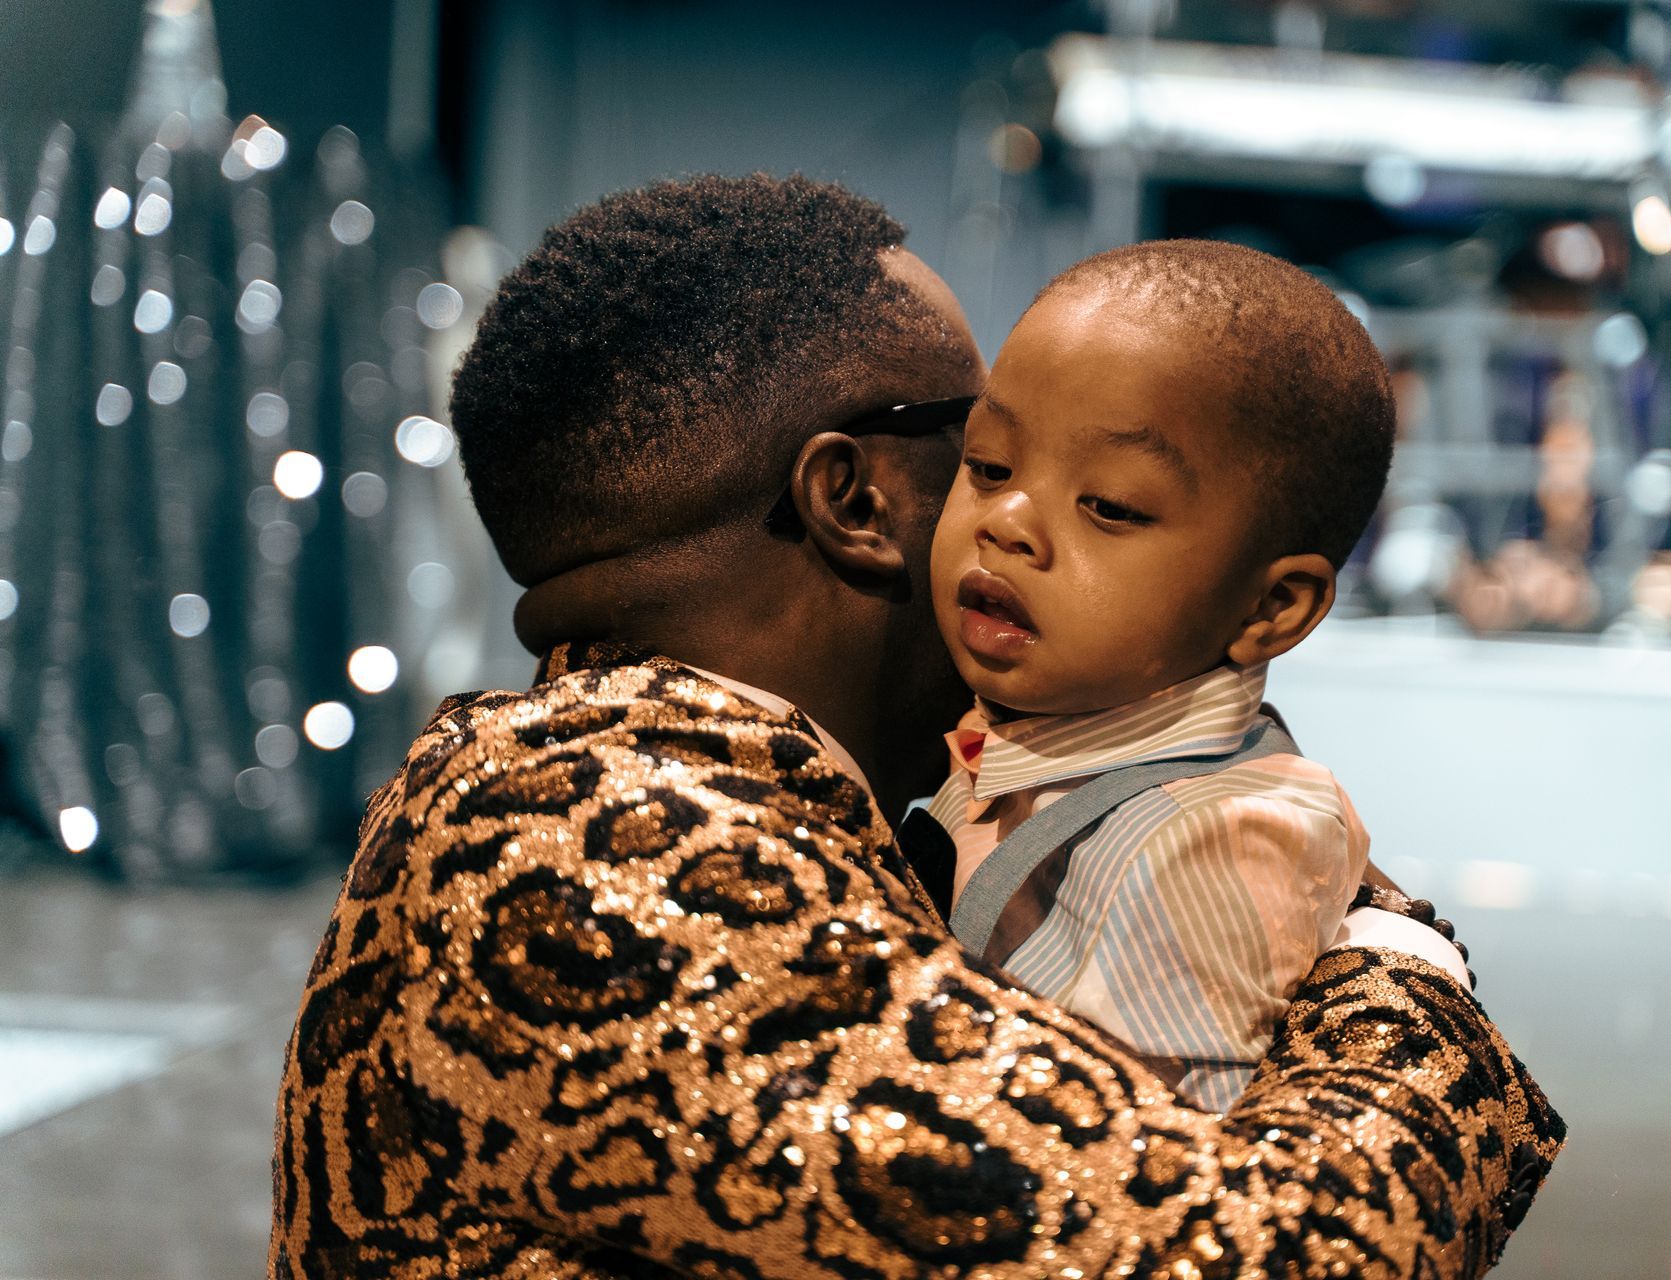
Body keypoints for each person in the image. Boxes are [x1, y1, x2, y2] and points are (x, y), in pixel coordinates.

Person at [270, 175, 1562, 1280]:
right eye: (990, 452)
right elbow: (1272, 1256)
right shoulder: (602, 848)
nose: (1015, 517)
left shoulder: (689, 785)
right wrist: (1398, 972)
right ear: (861, 500)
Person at [925, 240, 1389, 1110]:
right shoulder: (1034, 722)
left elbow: (1140, 1172)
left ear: (1272, 608)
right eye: (989, 466)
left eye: (1110, 507)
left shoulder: (1217, 841)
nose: (1009, 522)